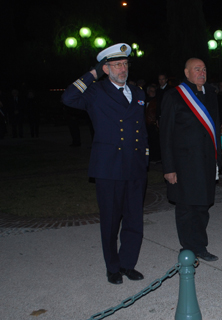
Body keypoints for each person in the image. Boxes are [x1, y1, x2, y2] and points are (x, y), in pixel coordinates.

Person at [61, 43, 149, 285]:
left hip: (135, 166)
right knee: (111, 220)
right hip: (109, 167)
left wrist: (146, 156)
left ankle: (127, 263)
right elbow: (68, 97)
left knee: (134, 219)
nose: (123, 69)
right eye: (117, 64)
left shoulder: (138, 93)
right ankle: (112, 267)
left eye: (125, 64)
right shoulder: (96, 92)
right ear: (106, 68)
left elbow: (141, 130)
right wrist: (93, 73)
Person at [160, 58, 221, 262]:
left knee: (203, 205)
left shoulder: (211, 94)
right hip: (184, 164)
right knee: (187, 208)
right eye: (197, 69)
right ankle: (189, 248)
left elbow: (214, 130)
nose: (202, 72)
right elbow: (166, 135)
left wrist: (218, 162)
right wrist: (169, 168)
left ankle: (200, 245)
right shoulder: (174, 96)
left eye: (204, 69)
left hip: (206, 162)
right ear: (186, 73)